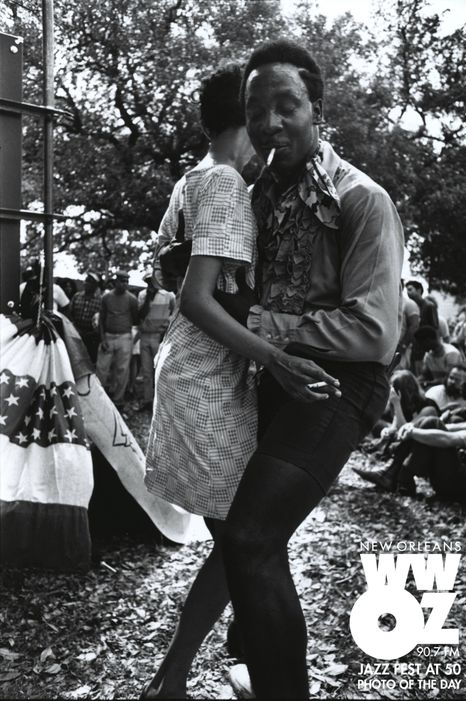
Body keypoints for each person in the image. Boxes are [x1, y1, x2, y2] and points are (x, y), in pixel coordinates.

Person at [211, 39, 404, 700]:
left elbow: (374, 330)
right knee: (233, 526)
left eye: (285, 105)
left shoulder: (362, 199)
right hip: (268, 377)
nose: (268, 123)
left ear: (316, 108)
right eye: (255, 111)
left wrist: (264, 328)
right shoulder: (251, 198)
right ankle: (259, 658)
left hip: (338, 384)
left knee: (252, 535)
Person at [141, 63, 336, 700]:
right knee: (244, 543)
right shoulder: (225, 182)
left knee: (239, 544)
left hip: (194, 370)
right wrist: (277, 358)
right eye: (261, 111)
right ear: (243, 117)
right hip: (207, 376)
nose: (273, 126)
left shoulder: (191, 180)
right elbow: (198, 298)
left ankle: (176, 677)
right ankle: (183, 679)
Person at [353, 370, 439, 490]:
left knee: (407, 437)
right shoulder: (403, 406)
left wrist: (397, 404)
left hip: (427, 452)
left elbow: (407, 432)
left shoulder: (428, 407)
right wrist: (386, 433)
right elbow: (395, 429)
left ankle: (387, 475)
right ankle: (387, 475)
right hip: (406, 448)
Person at [395, 417, 466, 501]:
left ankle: (398, 474)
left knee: (431, 425)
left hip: (464, 486)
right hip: (461, 481)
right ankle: (399, 475)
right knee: (431, 423)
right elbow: (459, 428)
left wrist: (412, 432)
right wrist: (414, 426)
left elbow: (447, 440)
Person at [95, 270, 139, 410]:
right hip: (108, 336)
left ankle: (118, 399)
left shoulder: (132, 299)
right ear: (116, 282)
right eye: (122, 281)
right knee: (102, 369)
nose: (125, 284)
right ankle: (97, 399)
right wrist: (102, 339)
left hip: (124, 337)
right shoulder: (106, 297)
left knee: (122, 370)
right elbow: (101, 319)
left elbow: (135, 319)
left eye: (127, 281)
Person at [136, 270, 175, 411]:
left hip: (160, 336)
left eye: (151, 282)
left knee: (161, 371)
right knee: (146, 372)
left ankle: (162, 404)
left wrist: (165, 328)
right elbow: (140, 315)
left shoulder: (168, 295)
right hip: (145, 335)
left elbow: (175, 312)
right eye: (147, 283)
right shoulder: (142, 295)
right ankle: (148, 400)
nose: (150, 285)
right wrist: (148, 299)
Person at [69, 270, 102, 363]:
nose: (86, 283)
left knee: (90, 361)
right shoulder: (77, 296)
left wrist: (94, 333)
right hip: (76, 332)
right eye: (86, 280)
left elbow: (102, 319)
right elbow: (70, 313)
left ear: (95, 285)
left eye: (90, 282)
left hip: (92, 336)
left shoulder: (100, 300)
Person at [405, 281, 438, 374]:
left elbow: (435, 327)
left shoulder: (429, 306)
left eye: (410, 289)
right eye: (407, 290)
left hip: (424, 346)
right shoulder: (409, 306)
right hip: (412, 346)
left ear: (419, 290)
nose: (408, 292)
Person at [396, 281, 420, 370]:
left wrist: (403, 345)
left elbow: (414, 326)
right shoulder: (387, 303)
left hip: (402, 349)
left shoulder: (409, 304)